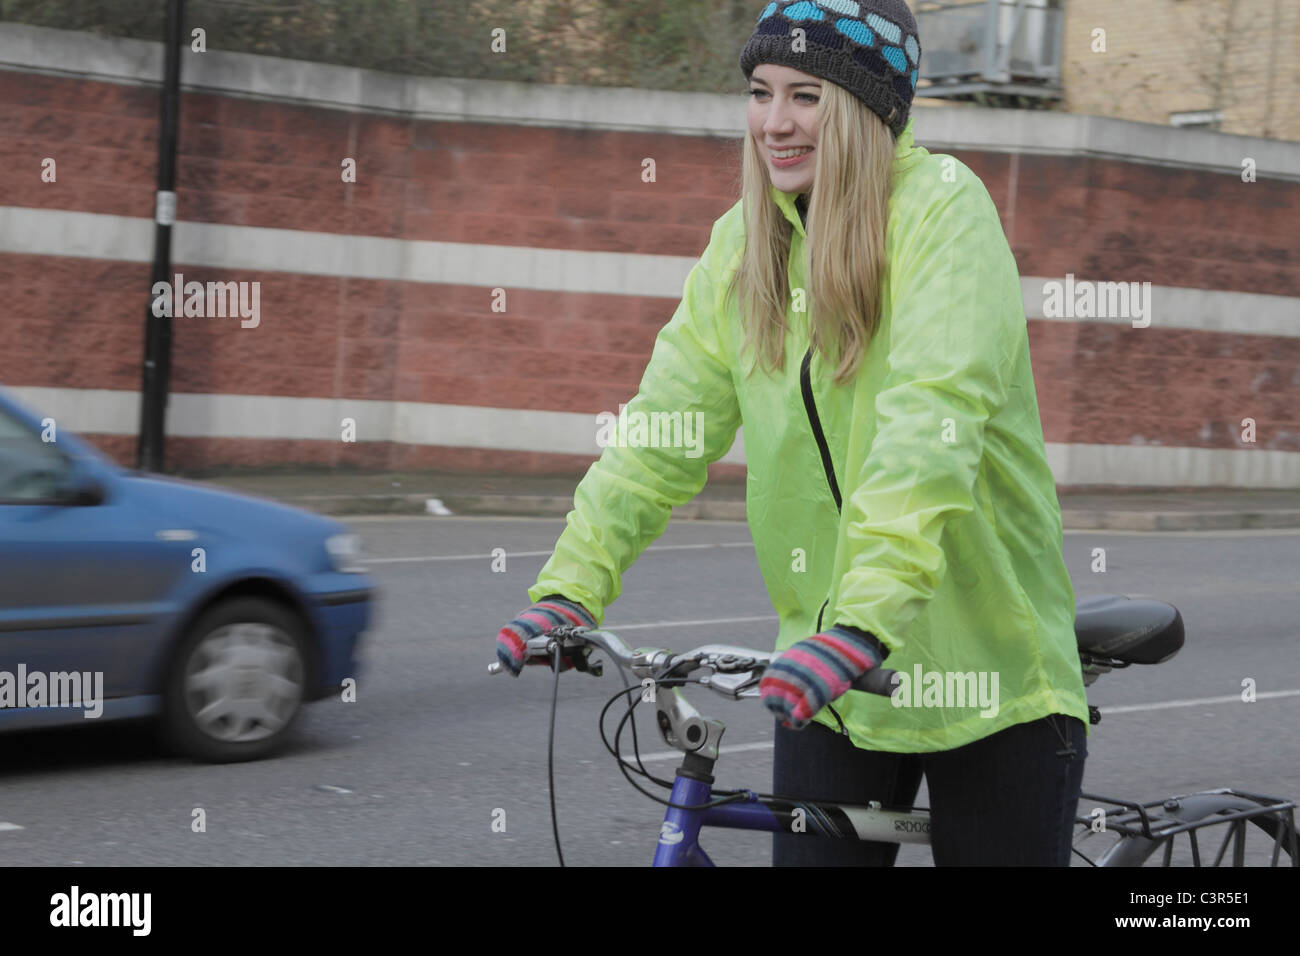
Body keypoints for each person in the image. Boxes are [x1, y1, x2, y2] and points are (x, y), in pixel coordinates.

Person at [496, 0, 1090, 866]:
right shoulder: (745, 246)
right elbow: (661, 432)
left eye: (806, 95)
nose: (775, 122)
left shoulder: (942, 214)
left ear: (865, 109)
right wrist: (571, 588)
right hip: (832, 684)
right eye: (761, 91)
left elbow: (928, 428)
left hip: (986, 679)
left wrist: (862, 623)